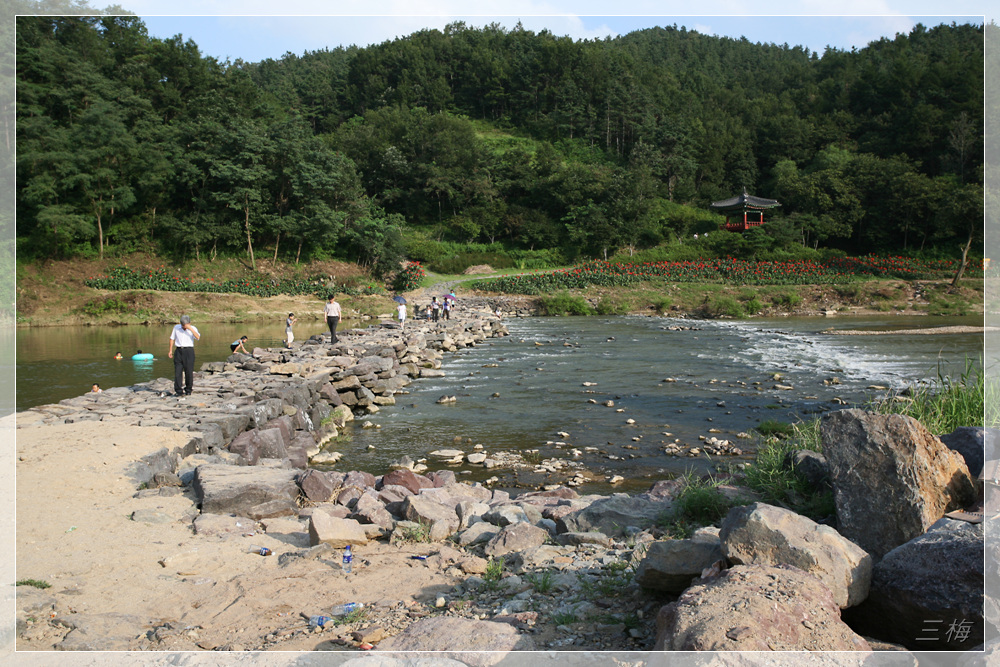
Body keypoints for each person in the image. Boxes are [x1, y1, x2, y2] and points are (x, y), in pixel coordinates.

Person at [168, 314, 200, 397]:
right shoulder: (176, 327)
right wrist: (170, 350)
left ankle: (188, 389)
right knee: (178, 371)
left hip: (188, 351)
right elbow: (172, 338)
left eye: (185, 325)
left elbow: (197, 337)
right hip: (178, 350)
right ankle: (178, 390)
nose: (184, 327)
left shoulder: (193, 328)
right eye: (183, 325)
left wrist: (190, 328)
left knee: (188, 371)